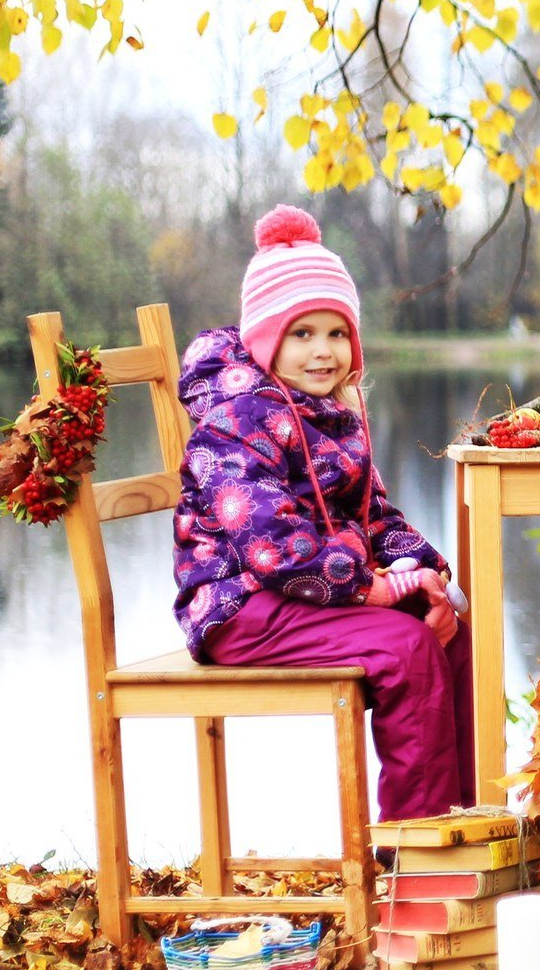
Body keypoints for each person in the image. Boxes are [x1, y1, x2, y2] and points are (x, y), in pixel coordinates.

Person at [171, 205, 475, 822]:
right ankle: (413, 859)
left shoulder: (334, 414)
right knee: (406, 649)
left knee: (452, 635)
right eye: (302, 333)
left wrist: (428, 575)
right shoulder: (236, 421)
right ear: (265, 339)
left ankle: (463, 829)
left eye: (337, 333)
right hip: (241, 606)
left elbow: (375, 516)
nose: (324, 351)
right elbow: (272, 548)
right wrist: (377, 590)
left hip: (311, 593)